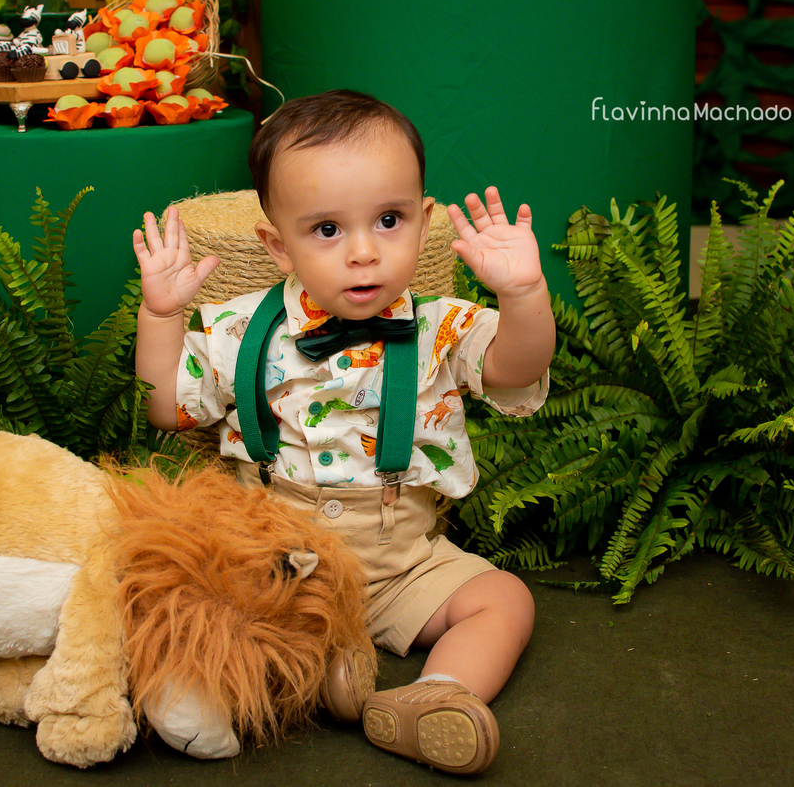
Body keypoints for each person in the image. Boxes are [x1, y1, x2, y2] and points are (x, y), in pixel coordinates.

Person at [133, 89, 554, 775]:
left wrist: (523, 293)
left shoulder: (442, 325)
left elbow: (516, 368)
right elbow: (164, 407)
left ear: (423, 223)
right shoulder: (241, 329)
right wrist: (161, 316)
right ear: (279, 246)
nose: (363, 252)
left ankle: (435, 695)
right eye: (327, 229)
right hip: (279, 561)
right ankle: (322, 658)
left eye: (388, 220)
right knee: (230, 610)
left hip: (402, 562)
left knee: (505, 600)